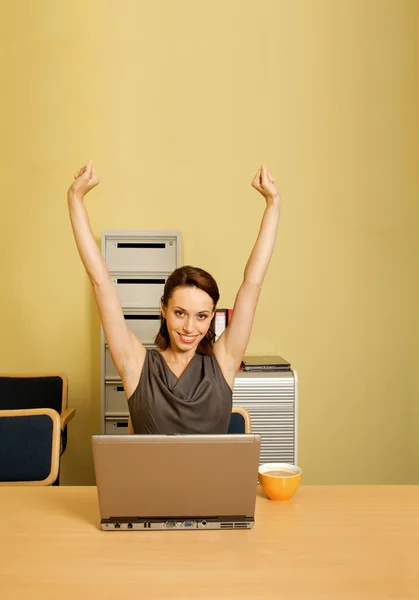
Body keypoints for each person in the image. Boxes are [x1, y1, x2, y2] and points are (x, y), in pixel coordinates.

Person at [67, 161, 280, 434]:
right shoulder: (136, 365)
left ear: (212, 317)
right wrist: (75, 198)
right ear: (163, 310)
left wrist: (273, 204)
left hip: (213, 479)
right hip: (147, 479)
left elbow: (253, 283)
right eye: (180, 313)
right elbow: (100, 281)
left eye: (201, 316)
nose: (190, 328)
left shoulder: (223, 361)